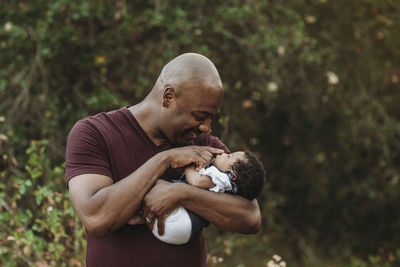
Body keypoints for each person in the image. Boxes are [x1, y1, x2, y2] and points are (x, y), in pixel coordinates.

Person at [65, 53, 261, 267]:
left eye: (211, 118)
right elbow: (96, 218)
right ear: (168, 97)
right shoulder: (95, 133)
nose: (206, 127)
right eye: (199, 116)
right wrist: (165, 159)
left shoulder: (205, 146)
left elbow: (250, 217)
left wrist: (180, 193)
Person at [145, 151, 266, 245]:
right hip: (186, 230)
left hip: (180, 222)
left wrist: (189, 165)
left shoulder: (221, 178)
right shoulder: (229, 186)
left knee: (155, 186)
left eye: (229, 156)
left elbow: (196, 181)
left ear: (232, 175)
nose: (224, 153)